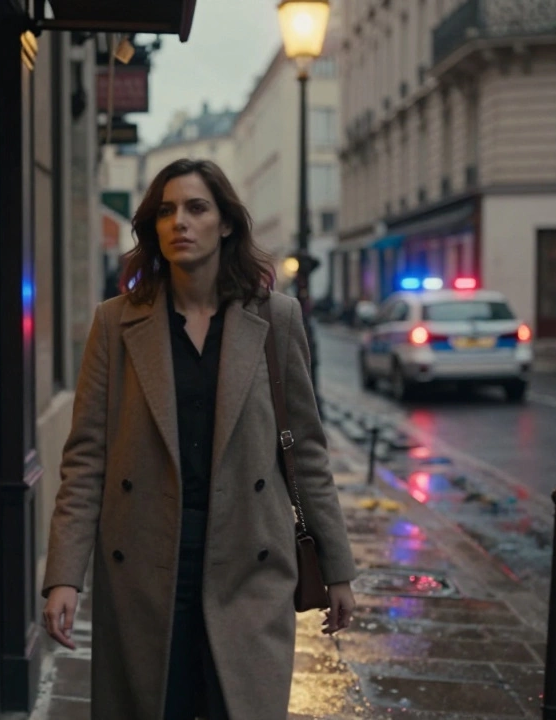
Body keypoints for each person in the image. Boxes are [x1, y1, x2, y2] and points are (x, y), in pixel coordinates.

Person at [41, 159, 357, 720]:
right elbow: (86, 458)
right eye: (166, 211)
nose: (179, 222)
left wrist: (336, 567)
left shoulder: (275, 319)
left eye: (196, 208)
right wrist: (64, 575)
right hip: (143, 569)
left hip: (248, 567)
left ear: (226, 223)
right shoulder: (116, 323)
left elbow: (306, 452)